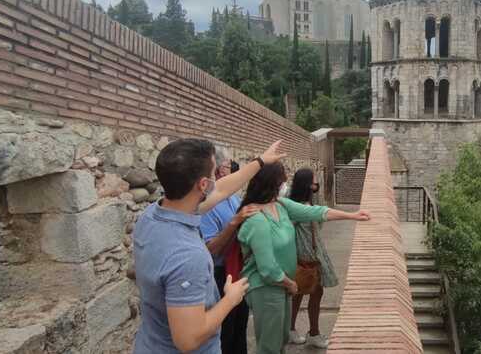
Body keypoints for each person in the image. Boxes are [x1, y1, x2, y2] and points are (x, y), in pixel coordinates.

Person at [133, 138, 285, 353]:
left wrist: (260, 161)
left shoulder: (151, 215)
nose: (218, 179)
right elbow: (188, 339)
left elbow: (221, 190)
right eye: (214, 174)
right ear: (203, 185)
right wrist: (230, 299)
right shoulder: (187, 256)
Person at [236, 162, 370, 354]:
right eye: (283, 178)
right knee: (269, 346)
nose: (285, 183)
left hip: (281, 287)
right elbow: (267, 268)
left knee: (280, 340)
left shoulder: (281, 205)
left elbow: (315, 212)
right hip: (267, 288)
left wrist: (352, 215)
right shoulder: (257, 219)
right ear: (272, 182)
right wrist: (290, 284)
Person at [200, 153, 250, 353]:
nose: (233, 169)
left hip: (238, 270)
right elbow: (212, 249)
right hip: (220, 274)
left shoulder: (234, 198)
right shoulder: (207, 205)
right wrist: (234, 223)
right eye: (229, 166)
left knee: (240, 327)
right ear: (219, 170)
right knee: (225, 333)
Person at [287, 168, 336, 347]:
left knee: (299, 294)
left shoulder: (304, 203)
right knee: (314, 292)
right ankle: (313, 333)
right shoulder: (299, 207)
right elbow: (288, 229)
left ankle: (291, 330)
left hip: (310, 254)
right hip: (307, 256)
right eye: (314, 180)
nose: (317, 183)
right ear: (307, 183)